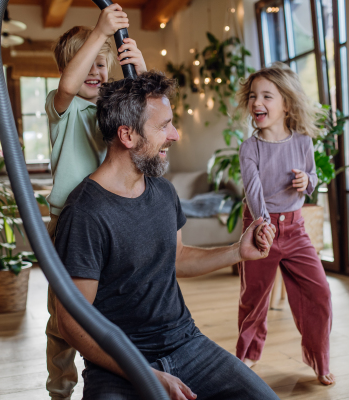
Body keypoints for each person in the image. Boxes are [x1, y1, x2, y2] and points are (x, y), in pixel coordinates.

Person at [53, 71, 280, 400]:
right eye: (163, 126)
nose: (174, 134)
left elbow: (176, 258)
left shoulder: (162, 191)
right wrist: (143, 373)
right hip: (119, 365)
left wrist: (237, 251)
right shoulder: (85, 214)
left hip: (187, 345)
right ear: (127, 135)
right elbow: (71, 323)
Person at [44, 5, 148, 399]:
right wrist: (100, 32)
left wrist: (138, 63)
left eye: (101, 66)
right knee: (63, 317)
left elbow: (146, 109)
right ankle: (61, 387)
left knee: (109, 302)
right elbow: (70, 83)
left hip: (108, 218)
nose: (94, 73)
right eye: (85, 63)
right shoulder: (63, 107)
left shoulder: (111, 110)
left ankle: (114, 373)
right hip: (69, 221)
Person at [236, 62, 335, 385]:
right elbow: (252, 191)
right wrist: (262, 226)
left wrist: (306, 181)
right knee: (254, 296)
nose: (257, 103)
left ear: (286, 104)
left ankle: (320, 359)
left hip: (295, 230)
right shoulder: (250, 148)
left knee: (319, 292)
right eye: (253, 96)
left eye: (267, 96)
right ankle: (247, 354)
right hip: (259, 227)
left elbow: (313, 180)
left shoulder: (303, 142)